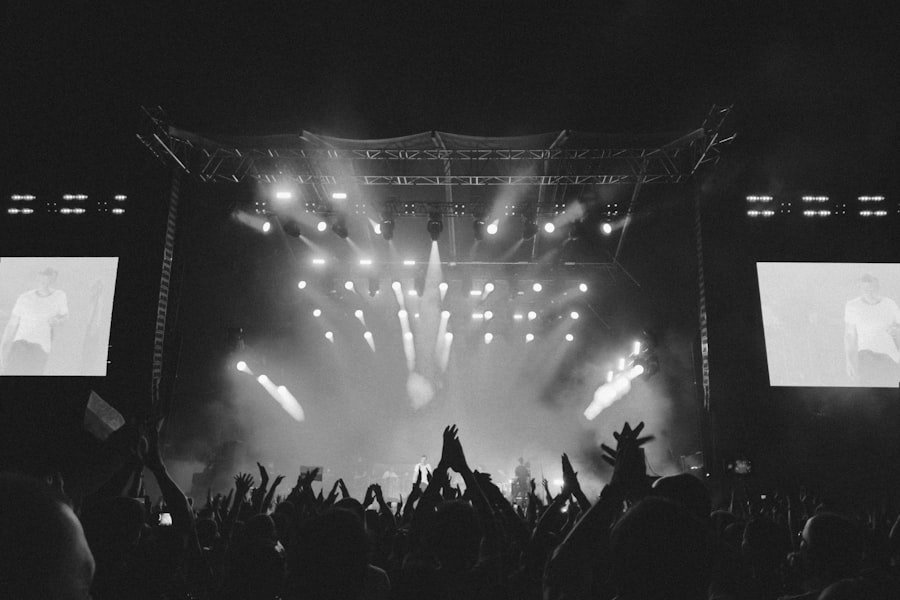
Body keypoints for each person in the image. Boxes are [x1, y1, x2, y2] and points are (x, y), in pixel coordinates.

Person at [1, 267, 68, 375]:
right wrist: (3, 350)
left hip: (40, 349)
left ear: (53, 279)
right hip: (19, 346)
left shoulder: (59, 296)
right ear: (38, 277)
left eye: (49, 277)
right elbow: (11, 325)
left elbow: (64, 316)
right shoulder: (24, 298)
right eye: (43, 276)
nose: (45, 281)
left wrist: (58, 320)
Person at [844, 274, 900, 387]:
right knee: (870, 394)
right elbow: (850, 336)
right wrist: (849, 361)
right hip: (866, 357)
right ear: (859, 289)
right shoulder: (852, 306)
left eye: (872, 287)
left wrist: (897, 330)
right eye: (865, 288)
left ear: (878, 287)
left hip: (890, 357)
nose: (869, 291)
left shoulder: (890, 304)